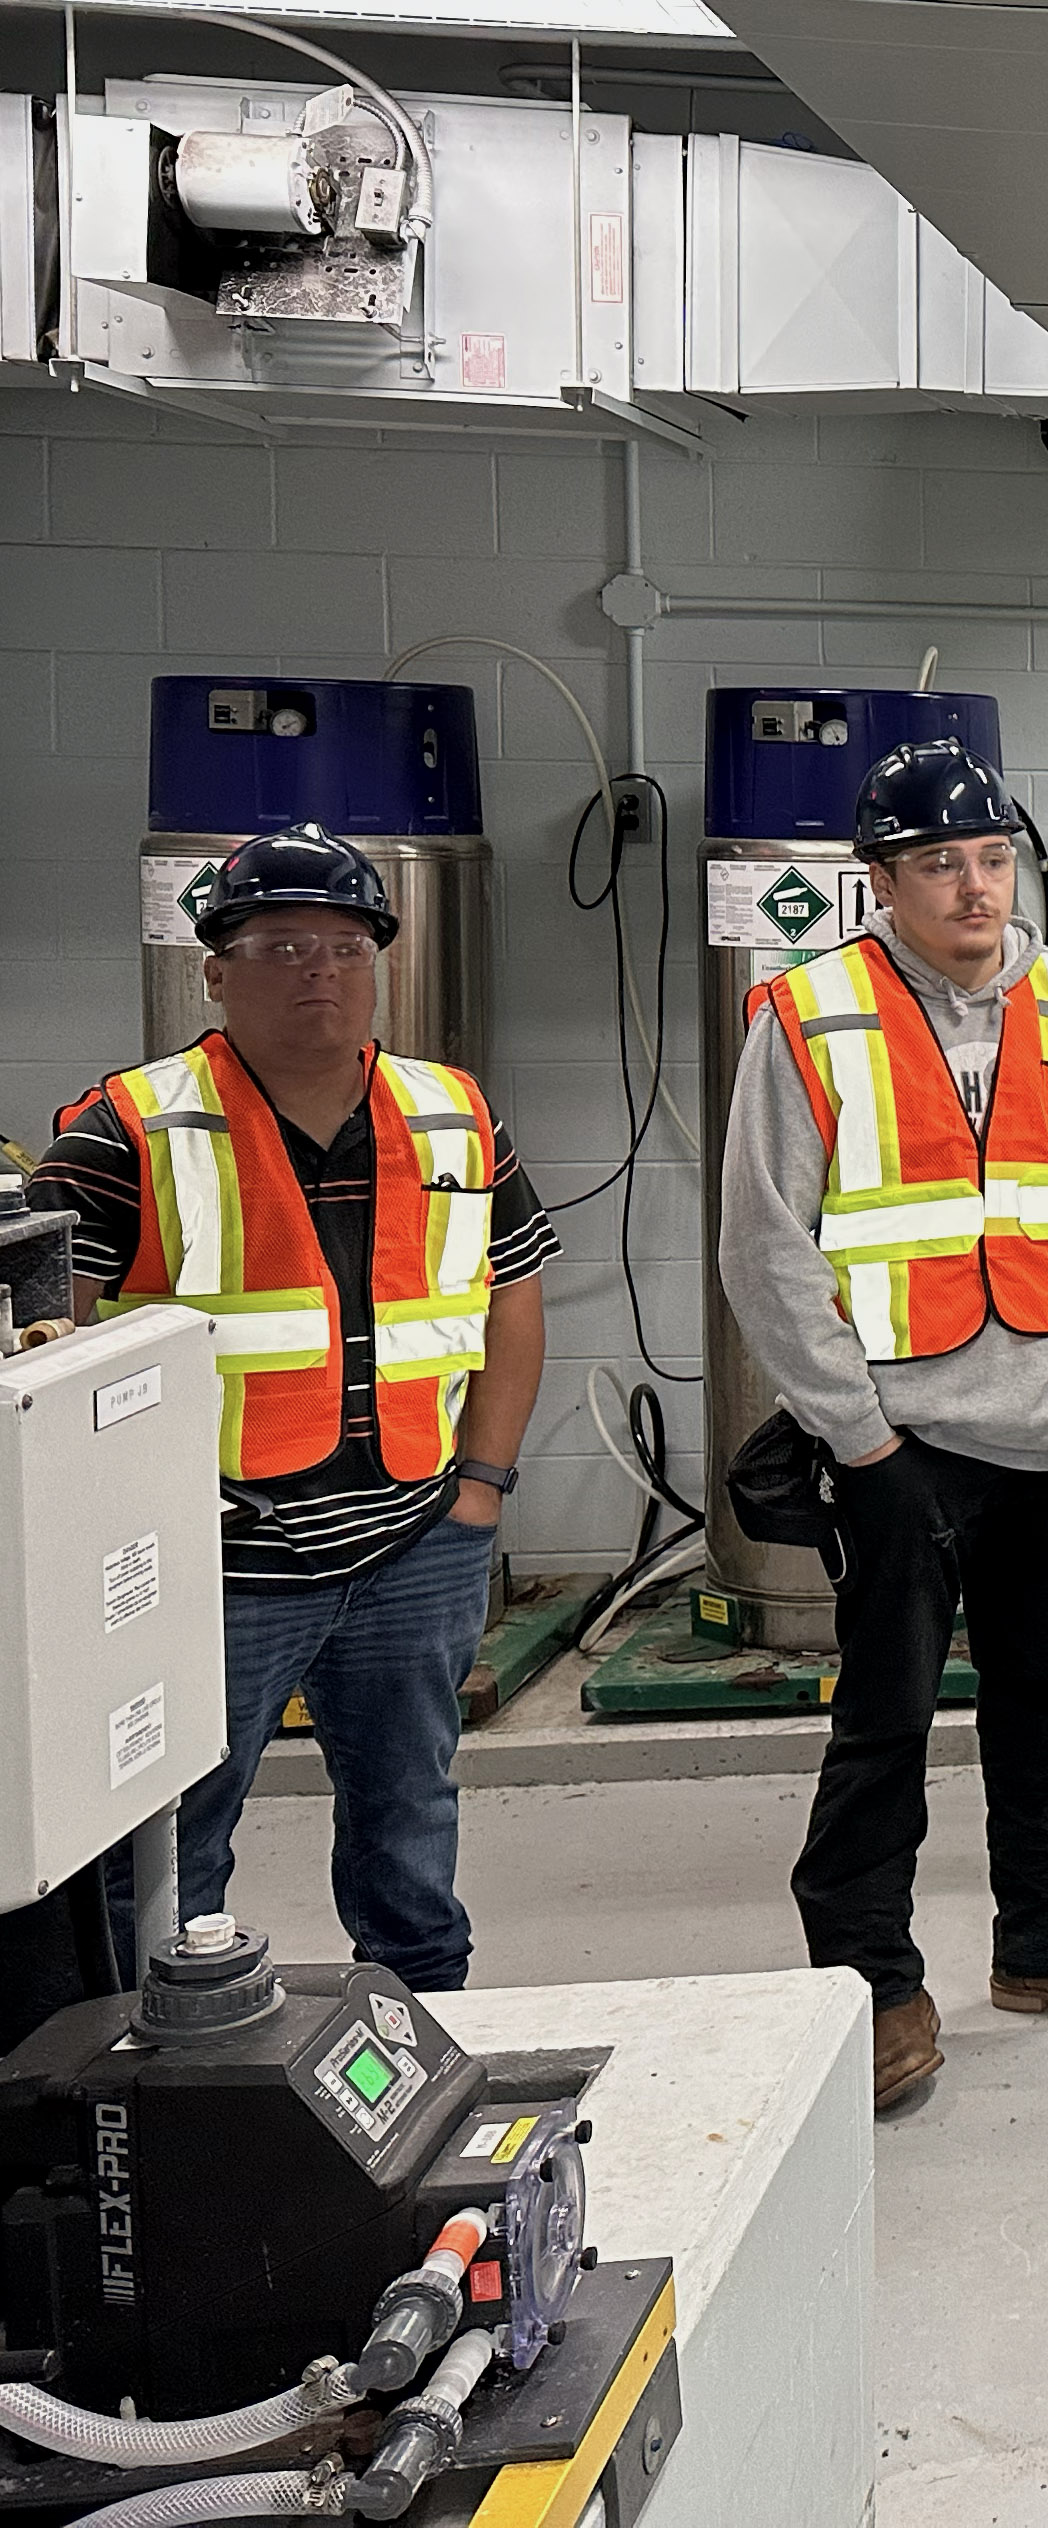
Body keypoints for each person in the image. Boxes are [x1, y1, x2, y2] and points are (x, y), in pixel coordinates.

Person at [720, 738, 1048, 2111]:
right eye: (941, 863)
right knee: (881, 1727)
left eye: (992, 858)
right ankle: (871, 1988)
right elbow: (765, 1249)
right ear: (882, 880)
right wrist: (856, 1439)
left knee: (1045, 1715)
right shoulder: (811, 1017)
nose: (975, 886)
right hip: (898, 1443)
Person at [35, 826, 549, 1993]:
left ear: (375, 966)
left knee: (410, 1812)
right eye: (280, 946)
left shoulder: (453, 1112)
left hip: (417, 1540)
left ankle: (427, 2006)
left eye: (344, 946)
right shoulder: (123, 1129)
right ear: (215, 969)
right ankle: (149, 2053)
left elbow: (513, 1304)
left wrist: (482, 1492)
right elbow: (46, 1365)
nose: (318, 969)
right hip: (213, 1562)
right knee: (168, 1835)